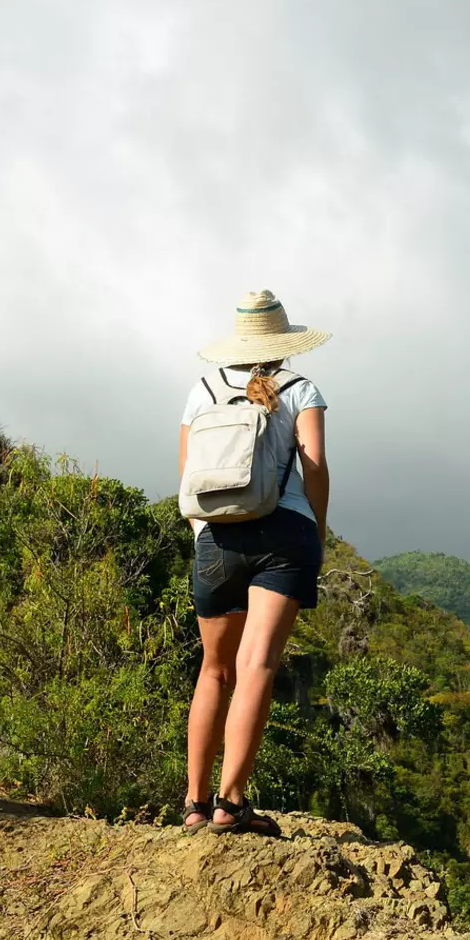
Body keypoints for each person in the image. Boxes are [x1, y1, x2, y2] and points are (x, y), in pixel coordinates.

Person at [179, 289, 331, 834]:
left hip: (216, 537)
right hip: (284, 534)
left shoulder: (202, 391)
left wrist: (204, 535)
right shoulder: (301, 388)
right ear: (285, 342)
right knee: (257, 666)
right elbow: (313, 466)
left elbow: (187, 477)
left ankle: (195, 805)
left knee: (214, 670)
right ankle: (231, 804)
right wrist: (317, 526)